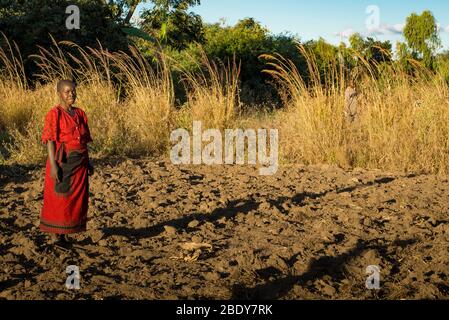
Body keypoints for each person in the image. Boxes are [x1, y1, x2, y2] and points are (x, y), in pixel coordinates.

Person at [40, 79, 94, 244]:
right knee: (60, 198)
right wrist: (54, 165)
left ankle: (65, 233)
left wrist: (88, 162)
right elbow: (49, 140)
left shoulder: (80, 113)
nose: (71, 94)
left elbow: (83, 140)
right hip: (62, 162)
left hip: (79, 164)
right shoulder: (54, 114)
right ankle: (55, 235)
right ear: (59, 94)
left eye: (73, 91)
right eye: (67, 91)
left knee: (74, 199)